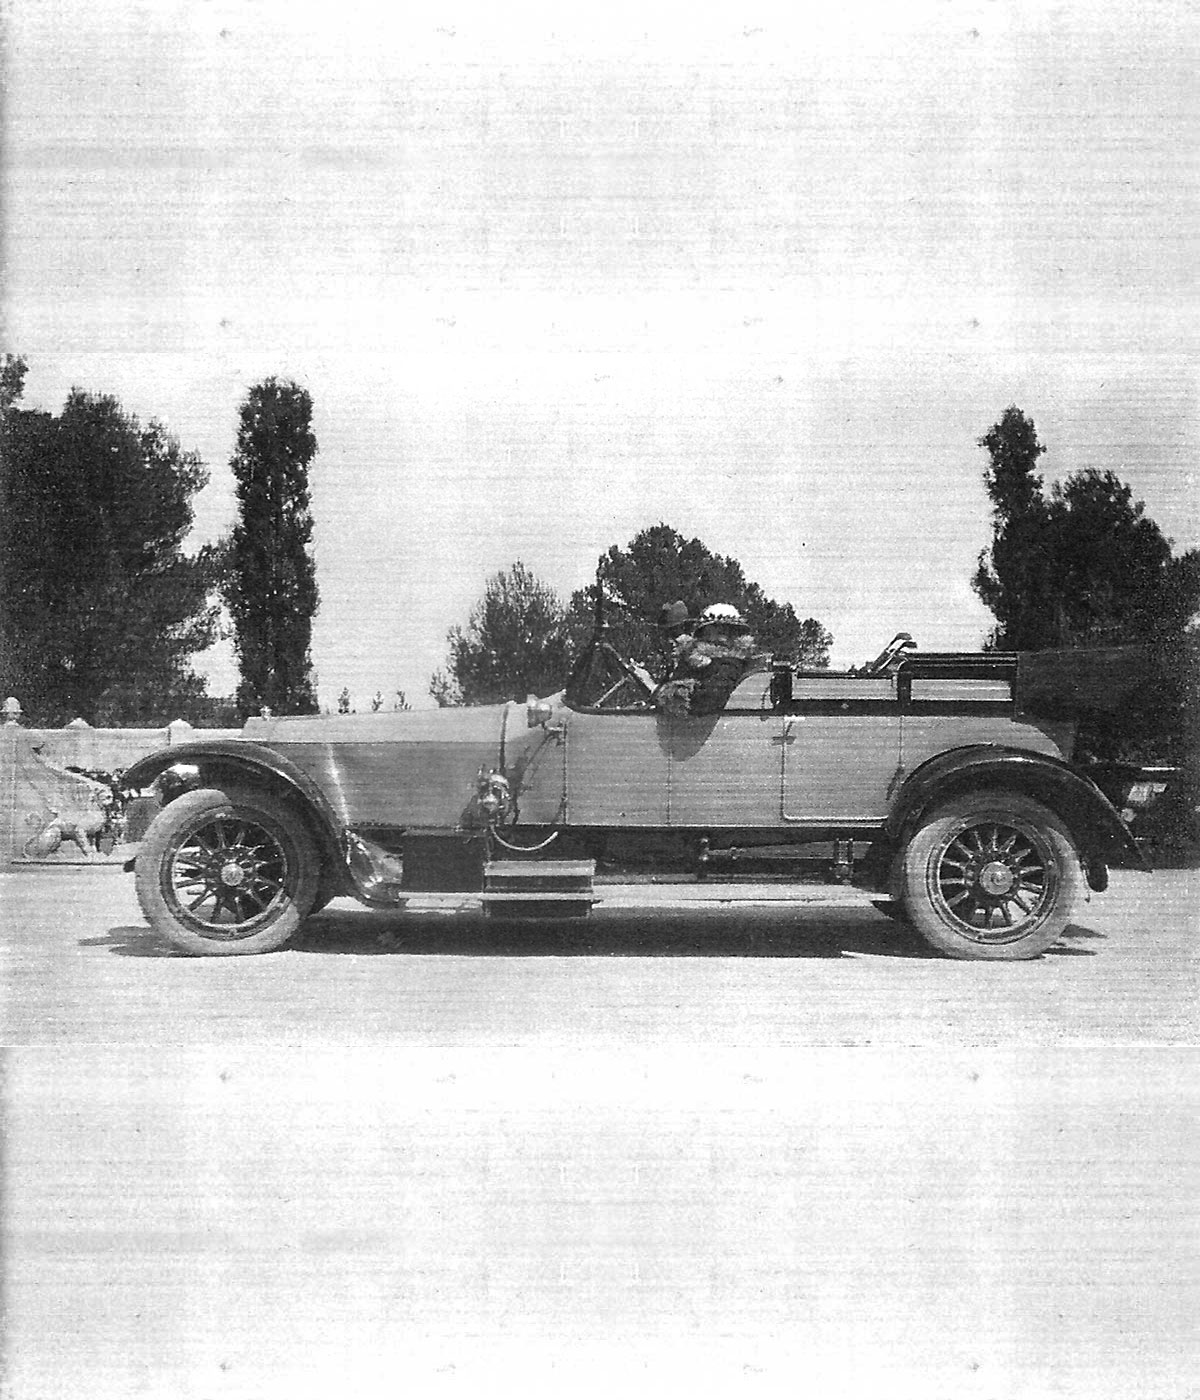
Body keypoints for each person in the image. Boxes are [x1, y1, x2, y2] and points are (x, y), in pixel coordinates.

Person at [655, 603, 760, 716]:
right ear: (704, 632)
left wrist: (674, 693)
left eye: (727, 629)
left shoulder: (730, 664)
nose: (722, 635)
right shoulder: (692, 661)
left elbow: (708, 700)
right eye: (716, 628)